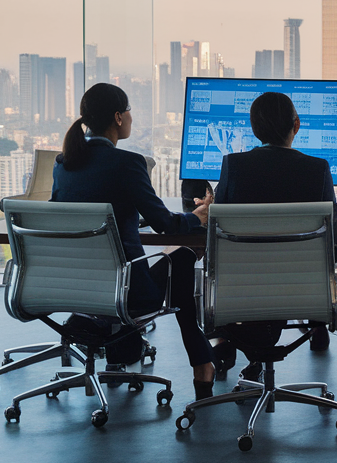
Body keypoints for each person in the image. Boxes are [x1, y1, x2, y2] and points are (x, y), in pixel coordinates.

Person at [50, 83, 217, 400]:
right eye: (128, 111)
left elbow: (66, 217)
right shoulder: (128, 163)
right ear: (117, 117)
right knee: (183, 254)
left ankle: (195, 362)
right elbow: (167, 224)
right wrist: (199, 215)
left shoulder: (63, 164)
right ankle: (202, 364)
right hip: (127, 292)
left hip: (77, 288)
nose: (130, 117)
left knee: (173, 254)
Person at [209, 92, 337, 378]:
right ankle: (317, 326)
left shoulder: (233, 166)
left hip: (243, 289)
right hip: (300, 289)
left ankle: (224, 339)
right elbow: (332, 240)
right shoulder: (317, 169)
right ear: (296, 125)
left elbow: (217, 231)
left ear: (254, 130)